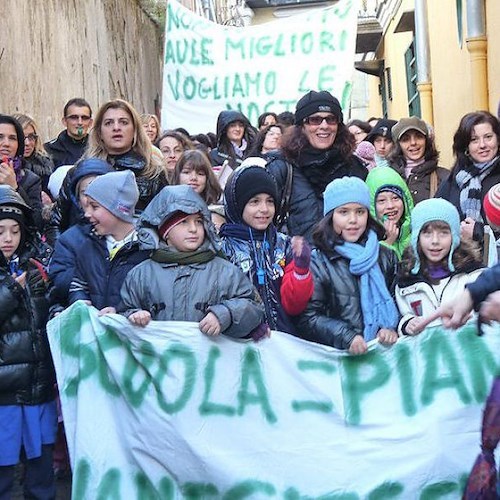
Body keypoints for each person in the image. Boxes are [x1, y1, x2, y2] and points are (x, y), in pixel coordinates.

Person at [118, 185, 266, 340]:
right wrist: (133, 315)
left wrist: (225, 314)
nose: (194, 229)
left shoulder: (225, 272)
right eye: (183, 222)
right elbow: (122, 313)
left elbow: (253, 307)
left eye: (198, 221)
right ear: (165, 232)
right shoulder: (141, 274)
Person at [296, 176, 399, 354]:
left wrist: (391, 328)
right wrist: (345, 336)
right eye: (344, 212)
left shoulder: (386, 256)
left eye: (360, 211)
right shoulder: (319, 261)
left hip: (383, 359)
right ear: (330, 216)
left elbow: (399, 299)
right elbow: (308, 318)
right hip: (340, 361)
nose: (353, 220)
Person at [0, 186, 56, 499]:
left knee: (41, 470)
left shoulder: (36, 268)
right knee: (4, 476)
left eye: (15, 230)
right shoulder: (17, 278)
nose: (8, 238)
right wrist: (11, 290)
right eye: (0, 231)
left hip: (37, 387)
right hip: (3, 394)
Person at [220, 165, 313, 334]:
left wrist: (301, 270)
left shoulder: (285, 246)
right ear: (237, 204)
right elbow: (219, 302)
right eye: (254, 201)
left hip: (284, 345)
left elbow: (294, 306)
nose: (264, 209)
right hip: (240, 347)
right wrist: (245, 326)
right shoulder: (222, 250)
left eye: (270, 201)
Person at [266, 90, 367, 242]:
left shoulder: (354, 167)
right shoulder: (282, 168)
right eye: (315, 120)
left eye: (331, 119)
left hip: (346, 262)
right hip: (295, 262)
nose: (324, 126)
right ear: (301, 125)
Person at [395, 198, 483, 336]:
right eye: (427, 233)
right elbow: (401, 314)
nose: (435, 241)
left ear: (454, 236)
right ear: (416, 237)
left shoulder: (474, 275)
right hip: (427, 354)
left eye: (443, 233)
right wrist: (407, 323)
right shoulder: (406, 280)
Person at [69, 170, 148, 312]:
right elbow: (78, 285)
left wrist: (120, 311)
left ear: (118, 209)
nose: (87, 214)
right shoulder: (89, 245)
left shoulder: (145, 250)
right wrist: (79, 301)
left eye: (95, 207)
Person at [49, 158, 114, 312]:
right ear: (77, 199)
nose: (92, 196)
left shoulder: (128, 233)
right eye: (85, 192)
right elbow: (60, 279)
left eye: (99, 189)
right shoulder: (69, 240)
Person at [83, 99, 168, 213]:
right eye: (109, 123)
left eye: (123, 122)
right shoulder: (83, 170)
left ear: (135, 130)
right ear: (99, 132)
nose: (116, 128)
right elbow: (57, 220)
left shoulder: (153, 172)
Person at [436, 111, 500, 244]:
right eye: (474, 140)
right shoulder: (456, 178)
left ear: (498, 140)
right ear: (466, 146)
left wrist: (478, 231)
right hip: (461, 260)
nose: (482, 145)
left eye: (488, 137)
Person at [389, 116, 447, 204]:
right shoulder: (390, 177)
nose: (413, 143)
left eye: (419, 137)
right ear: (398, 145)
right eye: (406, 139)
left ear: (426, 141)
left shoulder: (444, 177)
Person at [0, 114, 43, 231]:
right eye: (0, 137)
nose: (6, 143)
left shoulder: (30, 180)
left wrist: (15, 188)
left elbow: (37, 223)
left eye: (13, 138)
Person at [365, 166, 414, 259]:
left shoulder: (417, 236)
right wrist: (387, 243)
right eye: (382, 200)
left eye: (395, 198)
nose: (390, 206)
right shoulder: (365, 240)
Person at [12, 113, 55, 195]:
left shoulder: (46, 165)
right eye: (21, 137)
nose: (27, 143)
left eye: (31, 137)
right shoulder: (7, 168)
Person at [44, 97, 93, 169]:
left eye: (84, 118)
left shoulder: (99, 148)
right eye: (74, 117)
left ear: (90, 123)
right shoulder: (49, 150)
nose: (80, 122)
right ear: (64, 121)